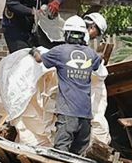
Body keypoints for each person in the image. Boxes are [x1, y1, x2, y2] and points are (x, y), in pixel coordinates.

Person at [32, 16, 103, 154]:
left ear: (67, 34)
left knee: (61, 154)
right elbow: (98, 62)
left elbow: (40, 59)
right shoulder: (90, 53)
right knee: (79, 157)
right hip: (85, 116)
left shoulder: (61, 51)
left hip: (67, 114)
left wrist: (34, 50)